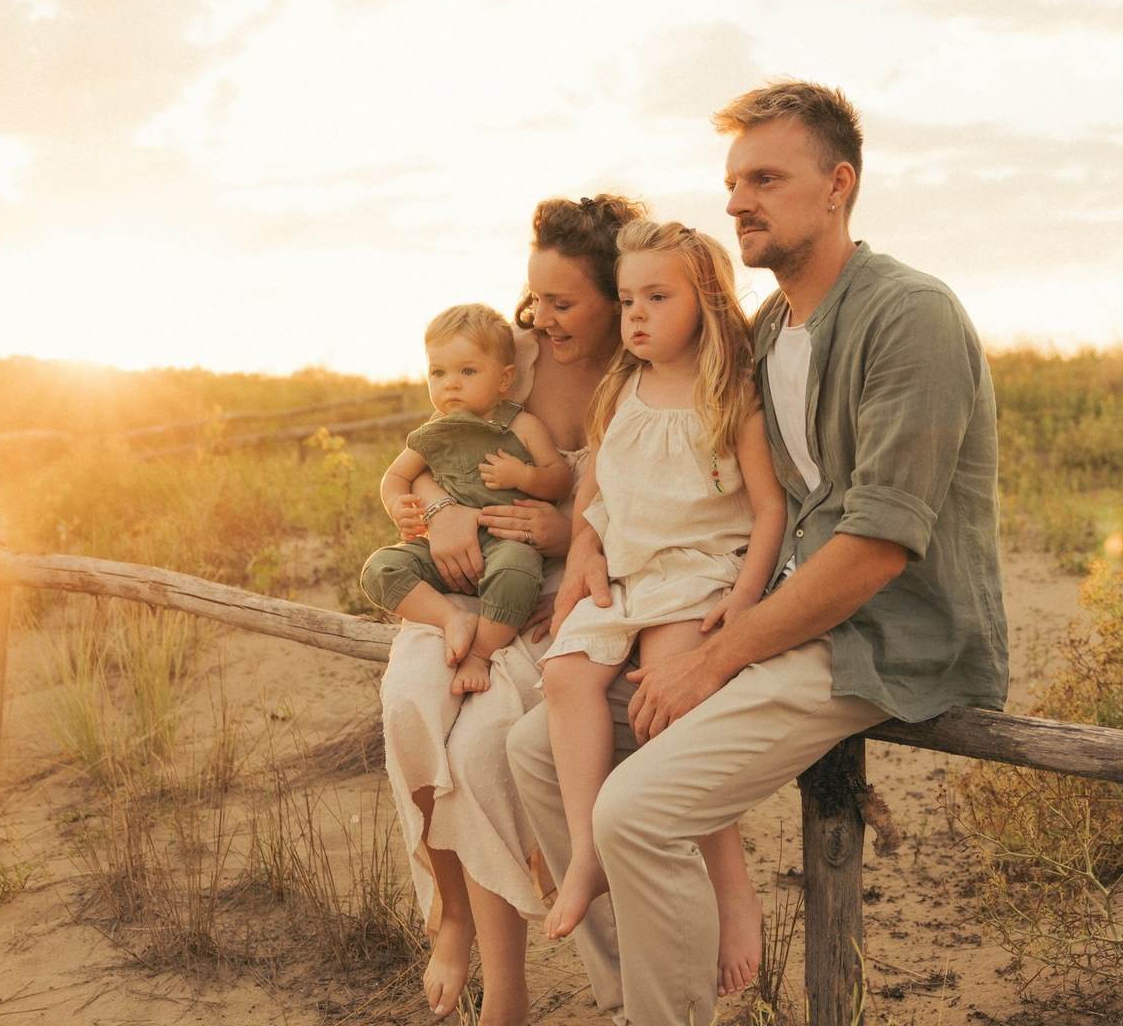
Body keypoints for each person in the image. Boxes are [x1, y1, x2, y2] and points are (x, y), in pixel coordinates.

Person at [508, 81, 1009, 1026]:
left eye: (767, 178)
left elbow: (876, 549)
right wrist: (588, 546)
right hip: (768, 607)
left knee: (637, 812)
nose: (738, 200)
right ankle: (640, 1000)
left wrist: (715, 656)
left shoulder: (909, 316)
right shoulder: (766, 334)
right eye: (733, 180)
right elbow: (656, 456)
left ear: (838, 186)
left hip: (872, 634)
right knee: (535, 750)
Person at [375, 194, 651, 1026]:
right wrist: (439, 511)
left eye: (563, 303)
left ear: (619, 295)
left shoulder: (643, 372)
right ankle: (450, 914)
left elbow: (657, 508)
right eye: (535, 298)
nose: (541, 317)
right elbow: (434, 448)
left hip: (570, 592)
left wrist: (568, 529)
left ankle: (507, 988)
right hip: (472, 569)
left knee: (490, 738)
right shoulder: (513, 358)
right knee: (406, 702)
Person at [538, 219, 785, 969]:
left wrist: (745, 597)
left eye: (656, 296)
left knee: (662, 713)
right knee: (564, 674)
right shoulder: (621, 388)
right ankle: (587, 851)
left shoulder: (729, 393)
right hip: (629, 568)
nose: (635, 314)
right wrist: (586, 547)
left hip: (699, 575)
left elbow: (770, 508)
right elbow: (596, 488)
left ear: (705, 302)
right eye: (625, 299)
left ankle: (732, 895)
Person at [360, 302, 573, 694]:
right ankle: (450, 618)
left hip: (506, 545)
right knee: (380, 568)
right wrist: (398, 506)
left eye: (467, 371)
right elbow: (396, 476)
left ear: (505, 378)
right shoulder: (434, 431)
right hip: (444, 555)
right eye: (438, 372)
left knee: (518, 571)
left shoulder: (521, 426)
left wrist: (524, 475)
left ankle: (479, 653)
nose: (450, 384)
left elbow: (560, 478)